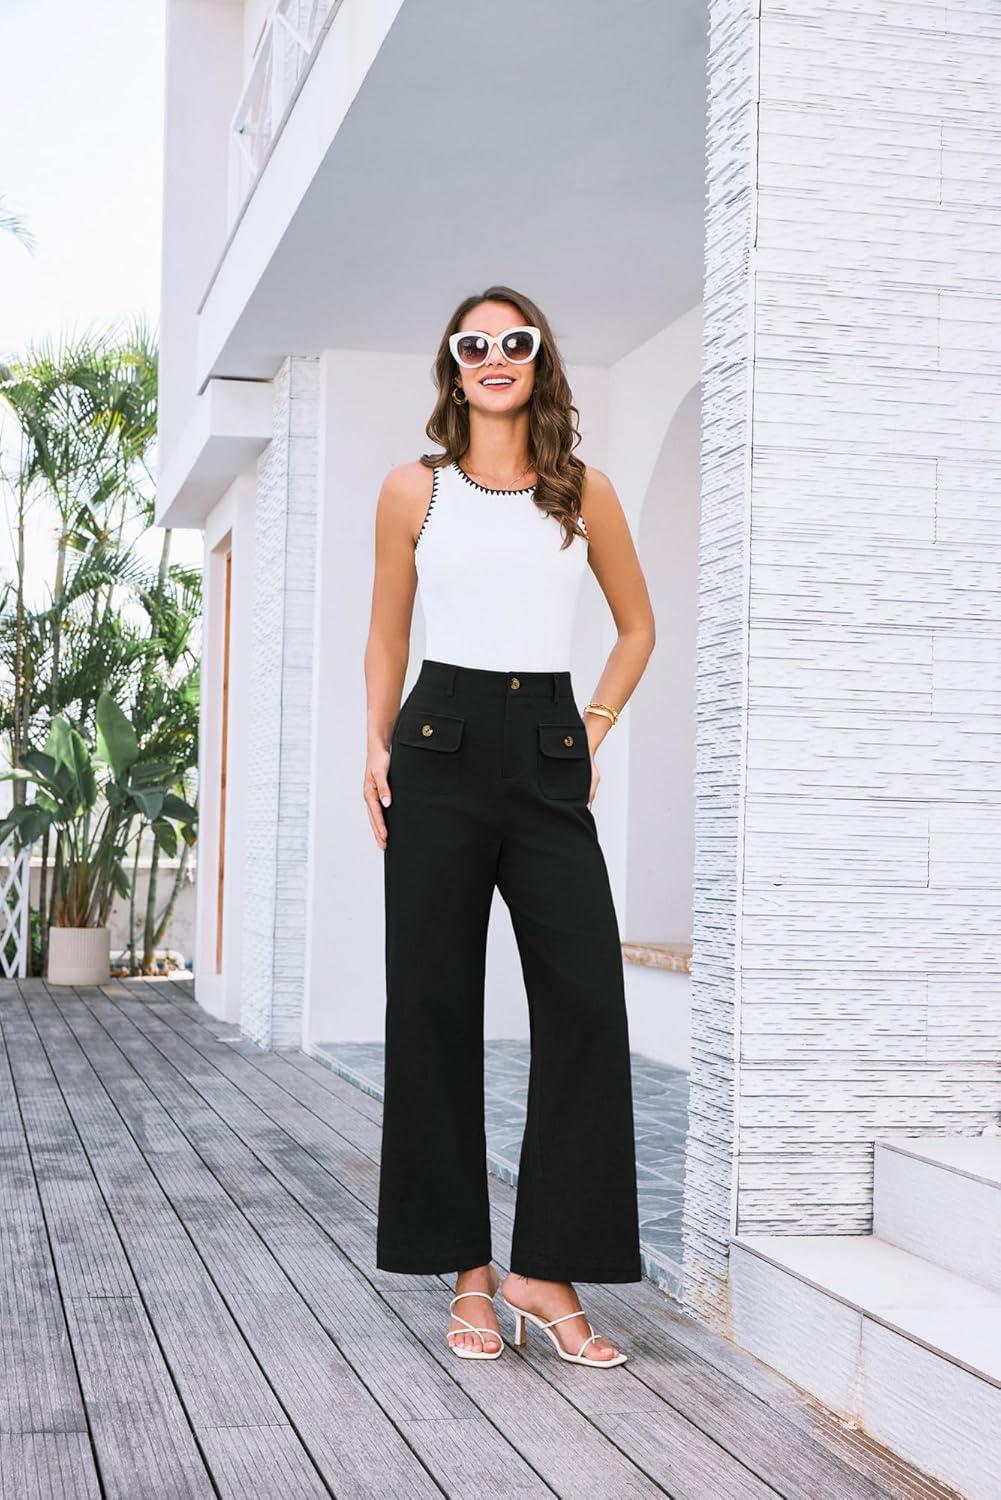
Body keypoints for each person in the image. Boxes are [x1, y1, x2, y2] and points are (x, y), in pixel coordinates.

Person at [363, 284, 656, 1368]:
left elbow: (636, 628)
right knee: (432, 1008)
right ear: (453, 364)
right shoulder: (414, 489)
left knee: (585, 1004)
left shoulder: (583, 491)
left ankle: (544, 1268)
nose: (495, 355)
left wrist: (589, 729)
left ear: (539, 360)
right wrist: (373, 743)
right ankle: (468, 1275)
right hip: (434, 742)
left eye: (514, 341)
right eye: (473, 343)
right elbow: (385, 632)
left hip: (545, 740)